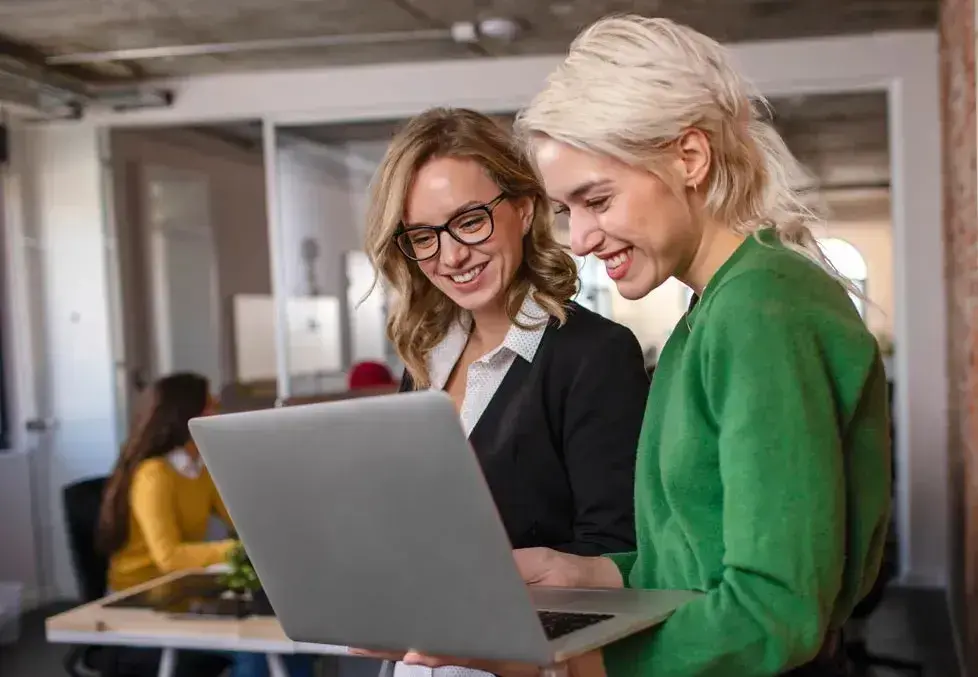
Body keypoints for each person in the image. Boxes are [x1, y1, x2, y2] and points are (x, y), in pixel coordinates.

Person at [380, 15, 891, 677]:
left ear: (689, 157)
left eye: (597, 199)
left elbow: (773, 610)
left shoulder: (763, 311)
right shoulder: (711, 312)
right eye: (570, 210)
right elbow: (695, 558)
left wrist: (554, 663)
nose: (582, 239)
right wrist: (586, 569)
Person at [362, 107, 650, 677]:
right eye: (423, 236)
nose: (451, 256)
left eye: (469, 222)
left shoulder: (592, 353)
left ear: (522, 209)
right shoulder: (424, 358)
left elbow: (614, 552)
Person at [99, 373, 313, 677]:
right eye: (210, 407)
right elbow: (168, 557)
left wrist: (282, 529)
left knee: (290, 645)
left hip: (183, 596)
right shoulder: (154, 475)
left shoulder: (198, 468)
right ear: (187, 416)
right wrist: (241, 550)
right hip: (143, 604)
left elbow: (239, 518)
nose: (218, 414)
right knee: (255, 654)